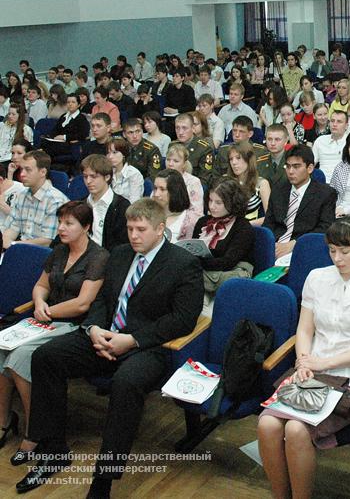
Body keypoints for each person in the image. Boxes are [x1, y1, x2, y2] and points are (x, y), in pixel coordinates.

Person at [16, 198, 203, 497]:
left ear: (159, 229)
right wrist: (94, 330)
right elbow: (102, 300)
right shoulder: (119, 254)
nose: (133, 235)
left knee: (126, 383)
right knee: (46, 356)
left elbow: (182, 319)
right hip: (104, 336)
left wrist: (132, 340)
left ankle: (102, 480)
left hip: (146, 346)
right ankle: (53, 449)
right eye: (130, 228)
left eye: (140, 229)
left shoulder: (184, 264)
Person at [260, 216, 350, 499]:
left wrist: (323, 363)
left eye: (345, 251)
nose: (338, 258)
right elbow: (305, 329)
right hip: (310, 374)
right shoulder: (317, 278)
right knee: (267, 424)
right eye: (332, 250)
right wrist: (304, 360)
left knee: (296, 430)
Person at [0, 202, 108, 467]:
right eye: (60, 222)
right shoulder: (59, 251)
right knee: (1, 348)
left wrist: (49, 311)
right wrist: (39, 303)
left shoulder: (98, 257)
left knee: (20, 357)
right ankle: (3, 420)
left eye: (69, 223)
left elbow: (83, 303)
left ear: (86, 227)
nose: (61, 228)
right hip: (45, 318)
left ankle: (33, 432)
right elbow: (40, 285)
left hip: (73, 324)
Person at [264, 144, 336, 259]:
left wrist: (294, 244)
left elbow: (324, 228)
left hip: (304, 248)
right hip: (275, 246)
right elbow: (269, 223)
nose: (290, 171)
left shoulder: (325, 194)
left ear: (310, 168)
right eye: (287, 166)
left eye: (296, 166)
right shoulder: (278, 189)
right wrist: (271, 244)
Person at [192, 179, 255, 297]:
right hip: (205, 272)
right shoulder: (203, 222)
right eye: (210, 200)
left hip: (230, 273)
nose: (212, 206)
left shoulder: (243, 227)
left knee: (187, 274)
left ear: (232, 202)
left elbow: (228, 262)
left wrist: (196, 264)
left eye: (218, 203)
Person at [1, 150, 68, 249]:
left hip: (44, 256)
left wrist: (13, 245)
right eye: (21, 169)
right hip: (20, 249)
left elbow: (47, 241)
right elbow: (11, 228)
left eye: (28, 170)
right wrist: (5, 242)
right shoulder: (22, 195)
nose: (22, 174)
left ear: (43, 172)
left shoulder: (55, 201)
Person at [81, 154, 131, 251]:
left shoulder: (122, 206)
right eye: (85, 176)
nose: (88, 181)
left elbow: (122, 245)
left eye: (93, 176)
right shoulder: (81, 204)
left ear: (107, 177)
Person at [225, 140, 270, 224]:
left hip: (251, 229)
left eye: (238, 158)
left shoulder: (261, 183)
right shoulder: (226, 182)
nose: (234, 162)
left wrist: (246, 225)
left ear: (249, 159)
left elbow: (269, 218)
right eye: (231, 159)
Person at [151, 169, 201, 243]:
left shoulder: (189, 220)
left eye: (162, 189)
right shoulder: (148, 214)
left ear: (174, 191)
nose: (156, 194)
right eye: (155, 188)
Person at [164, 143, 204, 217]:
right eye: (168, 160)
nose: (170, 164)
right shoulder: (161, 179)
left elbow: (197, 212)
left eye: (176, 161)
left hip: (184, 222)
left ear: (184, 164)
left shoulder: (193, 182)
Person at [312, 110, 350, 182]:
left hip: (343, 183)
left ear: (346, 126)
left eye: (339, 121)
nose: (334, 124)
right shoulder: (320, 140)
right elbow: (311, 164)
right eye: (332, 121)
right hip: (321, 183)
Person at [106, 138, 144, 205]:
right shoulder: (108, 172)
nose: (110, 157)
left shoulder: (134, 174)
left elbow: (134, 203)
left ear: (123, 154)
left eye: (114, 152)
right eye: (108, 153)